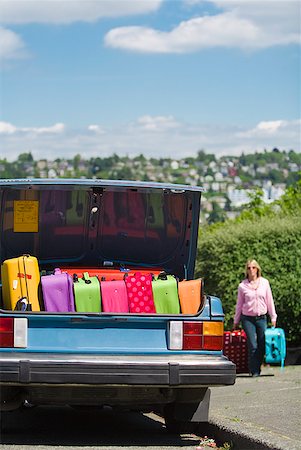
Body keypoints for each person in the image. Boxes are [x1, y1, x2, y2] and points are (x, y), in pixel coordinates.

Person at [234, 259, 277, 377]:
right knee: (253, 344)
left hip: (261, 317)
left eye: (253, 267)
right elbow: (239, 304)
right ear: (246, 270)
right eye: (249, 268)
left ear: (257, 269)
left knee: (262, 343)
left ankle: (257, 366)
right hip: (247, 318)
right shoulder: (242, 286)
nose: (251, 270)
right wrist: (236, 321)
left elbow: (269, 300)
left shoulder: (264, 283)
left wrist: (273, 317)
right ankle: (254, 370)